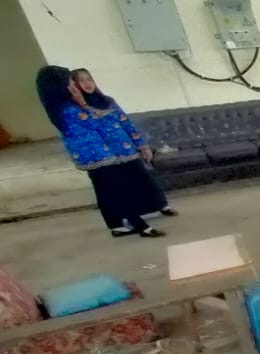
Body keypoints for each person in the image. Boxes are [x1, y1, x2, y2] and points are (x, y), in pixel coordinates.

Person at [35, 66, 172, 237]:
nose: (75, 85)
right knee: (117, 191)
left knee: (109, 192)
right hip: (98, 156)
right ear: (59, 85)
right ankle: (141, 226)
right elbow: (97, 122)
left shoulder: (64, 106)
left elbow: (118, 121)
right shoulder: (69, 109)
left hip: (101, 154)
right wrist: (83, 103)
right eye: (71, 81)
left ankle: (121, 225)